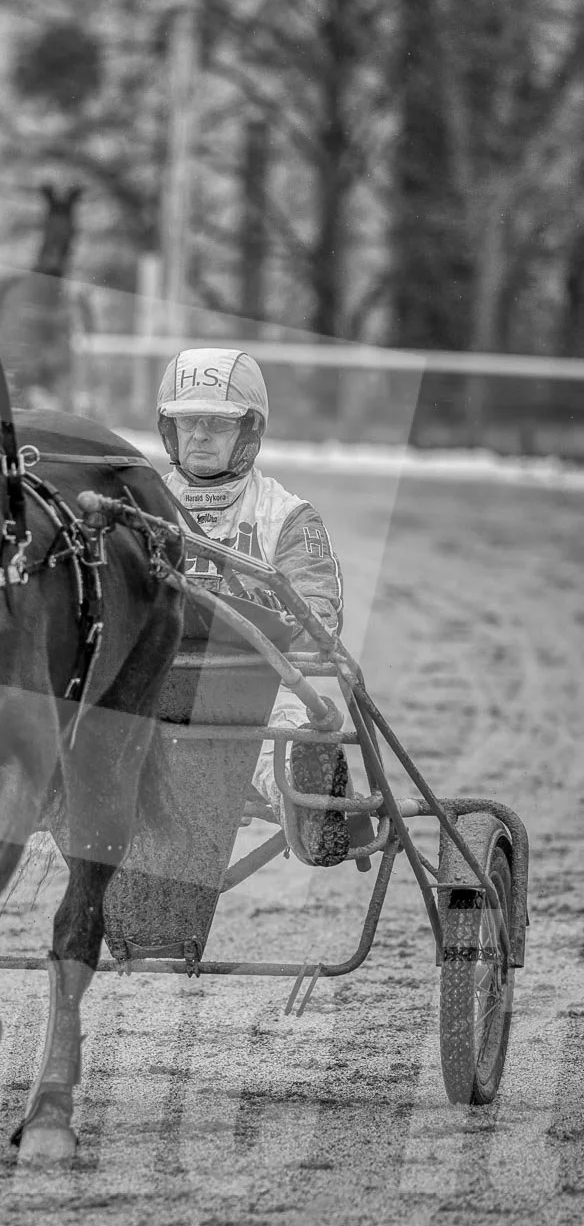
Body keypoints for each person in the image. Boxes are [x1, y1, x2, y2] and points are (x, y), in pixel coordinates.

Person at [155, 346, 351, 866]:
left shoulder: (288, 518)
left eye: (216, 425)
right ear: (168, 429)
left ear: (247, 433)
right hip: (150, 689)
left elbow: (319, 624)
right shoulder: (139, 506)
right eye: (188, 422)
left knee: (283, 741)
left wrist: (244, 609)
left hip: (255, 694)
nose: (198, 436)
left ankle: (311, 800)